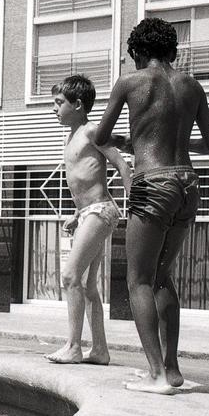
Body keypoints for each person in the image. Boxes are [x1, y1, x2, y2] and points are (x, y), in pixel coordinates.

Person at [93, 18, 209, 395]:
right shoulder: (191, 85)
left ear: (137, 51)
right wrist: (173, 138)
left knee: (138, 280)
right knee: (163, 276)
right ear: (171, 50)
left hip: (154, 182)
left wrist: (137, 140)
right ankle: (173, 369)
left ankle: (155, 373)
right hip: (188, 184)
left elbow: (101, 137)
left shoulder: (130, 83)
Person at [44, 75, 132, 366]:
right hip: (87, 212)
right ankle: (100, 350)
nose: (54, 109)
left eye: (59, 103)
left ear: (78, 104)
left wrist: (133, 202)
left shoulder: (92, 130)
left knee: (70, 276)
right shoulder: (70, 136)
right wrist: (75, 214)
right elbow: (85, 180)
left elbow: (121, 164)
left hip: (101, 211)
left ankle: (73, 346)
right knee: (88, 285)